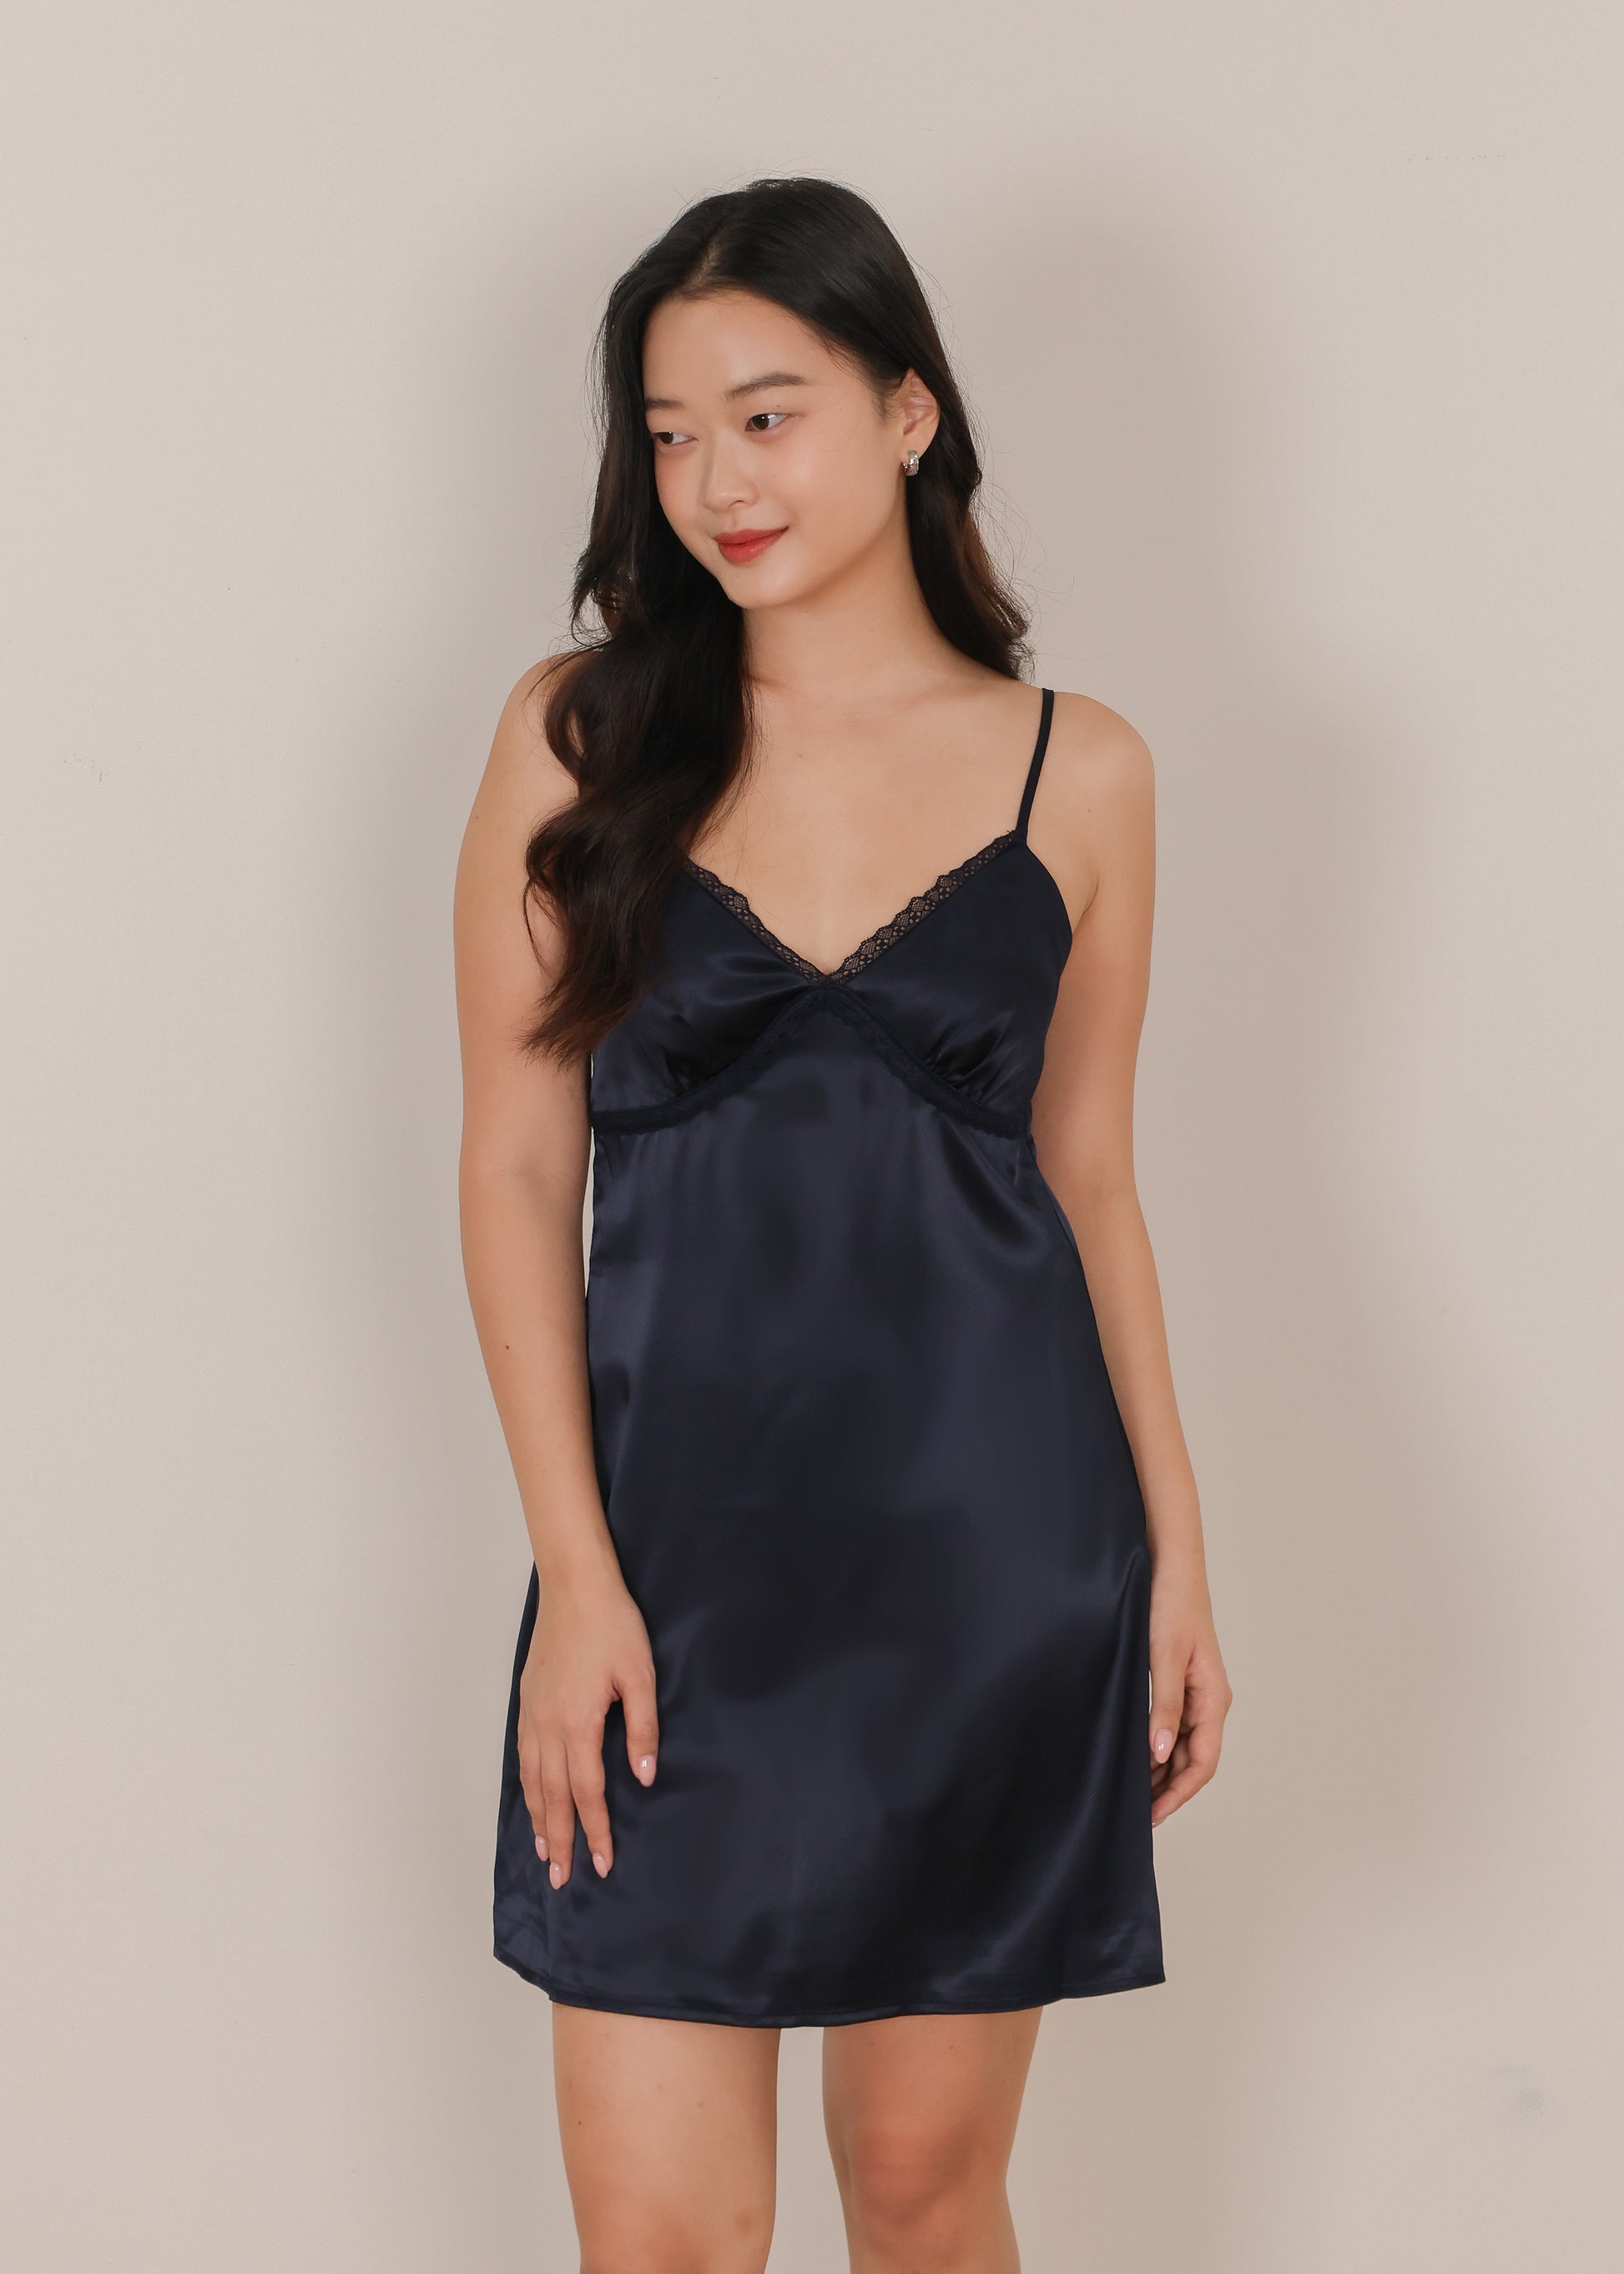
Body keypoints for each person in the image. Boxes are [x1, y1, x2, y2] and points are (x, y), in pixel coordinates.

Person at [454, 175, 1231, 2274]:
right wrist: (575, 1577)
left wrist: (1173, 1555)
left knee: (921, 2196)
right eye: (671, 432)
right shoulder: (579, 736)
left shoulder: (1081, 772)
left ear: (906, 411)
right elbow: (515, 1166)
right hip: (665, 1579)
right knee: (661, 2238)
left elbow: (1091, 1182)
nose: (716, 480)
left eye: (766, 415)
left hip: (991, 1569)